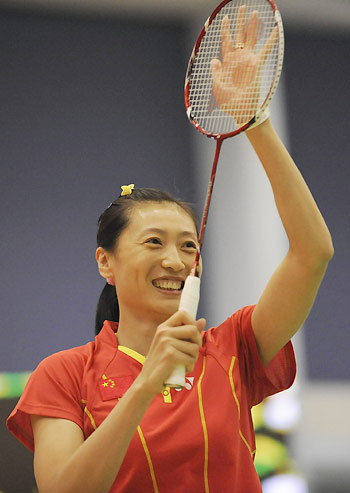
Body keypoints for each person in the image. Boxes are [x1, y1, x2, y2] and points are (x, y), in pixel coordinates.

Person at [7, 9, 333, 493]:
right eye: (153, 243)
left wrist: (253, 121)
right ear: (105, 263)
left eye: (188, 246)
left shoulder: (234, 348)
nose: (176, 261)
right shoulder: (64, 374)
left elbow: (312, 252)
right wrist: (145, 383)